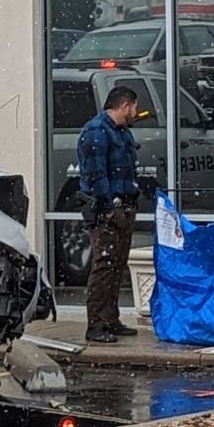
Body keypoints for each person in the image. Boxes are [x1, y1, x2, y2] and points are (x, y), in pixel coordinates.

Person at [77, 85, 142, 343]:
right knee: (104, 265)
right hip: (106, 211)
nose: (136, 112)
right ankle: (96, 324)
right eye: (134, 107)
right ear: (125, 106)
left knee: (117, 265)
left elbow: (127, 170)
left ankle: (111, 319)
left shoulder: (122, 132)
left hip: (124, 207)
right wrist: (109, 210)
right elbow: (96, 175)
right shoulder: (96, 131)